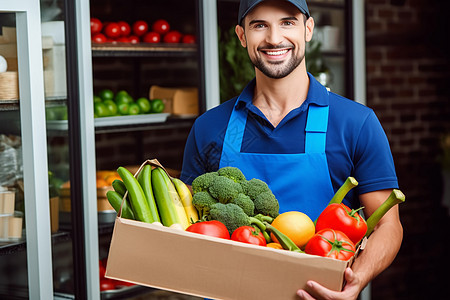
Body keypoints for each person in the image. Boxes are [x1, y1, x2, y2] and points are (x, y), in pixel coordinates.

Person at [180, 0, 403, 299]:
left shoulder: (356, 123)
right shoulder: (209, 127)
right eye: (259, 25)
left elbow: (388, 224)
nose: (274, 38)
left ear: (308, 29)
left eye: (288, 22)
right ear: (242, 36)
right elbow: (188, 223)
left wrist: (357, 278)